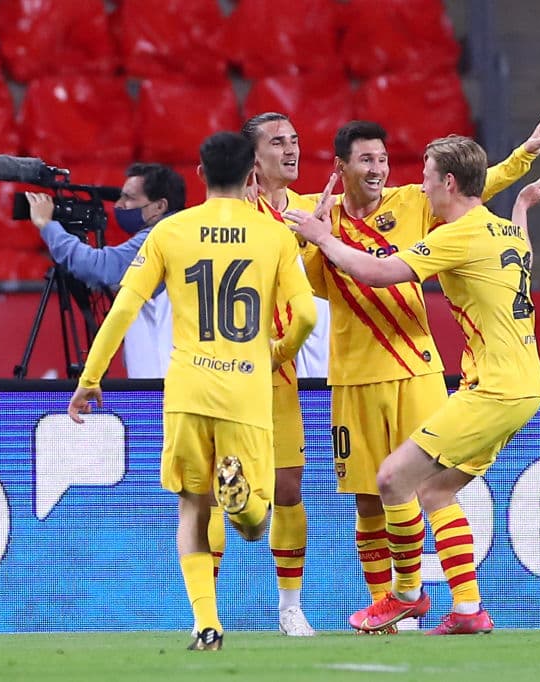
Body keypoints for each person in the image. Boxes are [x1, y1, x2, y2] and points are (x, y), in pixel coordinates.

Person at [291, 106, 540, 625]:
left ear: (448, 182)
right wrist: (523, 199)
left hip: (488, 387)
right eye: (366, 158)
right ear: (341, 165)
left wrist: (323, 239)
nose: (418, 184)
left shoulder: (449, 232)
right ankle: (467, 609)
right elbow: (518, 245)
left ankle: (408, 595)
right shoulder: (502, 231)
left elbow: (381, 271)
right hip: (519, 384)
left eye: (426, 176)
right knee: (433, 491)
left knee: (391, 479)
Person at [67, 132, 317, 651]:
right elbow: (308, 314)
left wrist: (90, 379)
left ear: (200, 176)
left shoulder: (170, 232)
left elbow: (123, 308)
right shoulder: (273, 236)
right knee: (252, 520)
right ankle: (243, 503)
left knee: (191, 508)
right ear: (253, 175)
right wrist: (278, 350)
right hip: (246, 388)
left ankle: (207, 622)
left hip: (186, 389)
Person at [213, 111, 328, 636]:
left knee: (287, 487)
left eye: (295, 140)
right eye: (277, 142)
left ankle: (289, 606)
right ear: (252, 158)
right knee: (210, 489)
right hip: (230, 368)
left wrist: (323, 236)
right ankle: (206, 611)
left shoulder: (312, 211)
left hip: (280, 371)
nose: (291, 149)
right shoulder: (230, 212)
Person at [26, 163, 186, 378]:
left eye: (129, 198)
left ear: (159, 206)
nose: (119, 205)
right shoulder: (184, 232)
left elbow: (97, 267)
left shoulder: (159, 238)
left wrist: (47, 224)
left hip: (161, 392)